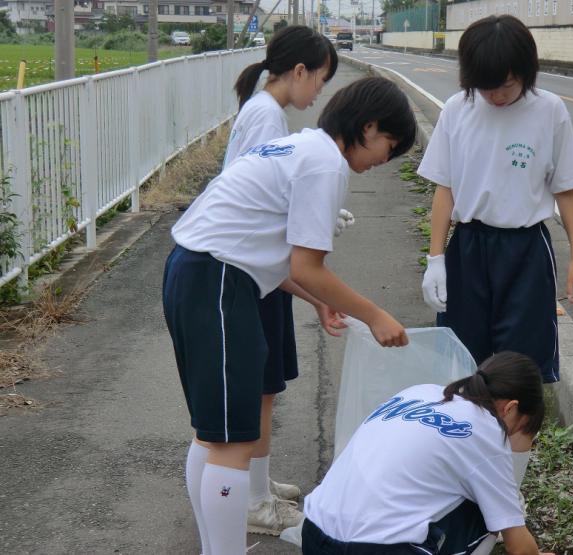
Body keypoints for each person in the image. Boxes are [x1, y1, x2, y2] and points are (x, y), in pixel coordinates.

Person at [162, 76, 417, 555]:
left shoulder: (300, 147)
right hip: (218, 282)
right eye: (390, 144)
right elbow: (307, 265)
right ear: (369, 126)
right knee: (233, 441)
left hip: (198, 272)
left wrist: (319, 300)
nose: (387, 158)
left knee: (213, 435)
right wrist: (375, 314)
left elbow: (271, 253)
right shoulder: (325, 165)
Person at [418, 14, 573, 490]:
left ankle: (508, 493)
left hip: (525, 250)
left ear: (526, 72)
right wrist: (437, 258)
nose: (498, 95)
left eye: (508, 85)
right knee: (460, 368)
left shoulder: (550, 110)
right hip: (468, 248)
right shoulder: (458, 108)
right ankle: (463, 476)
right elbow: (444, 189)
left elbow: (566, 190)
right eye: (488, 86)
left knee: (523, 374)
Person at [220, 25, 346, 536]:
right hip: (256, 270)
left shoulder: (260, 109)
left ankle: (258, 485)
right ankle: (252, 502)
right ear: (298, 71)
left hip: (260, 267)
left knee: (263, 388)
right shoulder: (267, 117)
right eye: (320, 79)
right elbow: (270, 202)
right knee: (261, 391)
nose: (319, 92)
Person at [302, 351, 553, 555]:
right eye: (517, 430)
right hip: (377, 550)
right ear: (510, 409)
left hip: (314, 535)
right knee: (487, 514)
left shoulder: (420, 392)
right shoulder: (487, 429)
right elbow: (517, 546)